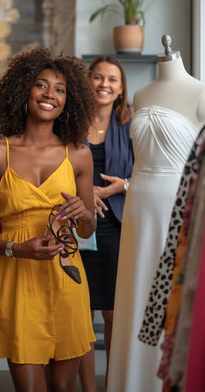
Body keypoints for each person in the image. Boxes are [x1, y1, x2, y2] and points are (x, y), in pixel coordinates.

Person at [0, 47, 97, 392]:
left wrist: (84, 213)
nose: (50, 95)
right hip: (16, 276)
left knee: (63, 387)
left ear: (68, 102)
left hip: (67, 273)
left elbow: (87, 229)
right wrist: (16, 249)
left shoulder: (80, 154)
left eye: (60, 89)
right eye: (41, 85)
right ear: (23, 90)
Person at [107, 37, 205, 392]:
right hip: (138, 203)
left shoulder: (203, 94)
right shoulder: (139, 95)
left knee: (169, 288)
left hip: (177, 202)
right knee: (136, 288)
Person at [77, 56, 134, 391]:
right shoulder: (69, 123)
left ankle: (112, 382)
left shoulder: (132, 125)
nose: (104, 85)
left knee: (112, 312)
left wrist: (121, 186)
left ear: (121, 88)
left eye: (112, 80)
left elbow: (147, 173)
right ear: (87, 82)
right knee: (80, 312)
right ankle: (88, 387)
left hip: (115, 224)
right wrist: (82, 194)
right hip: (76, 223)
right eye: (97, 77)